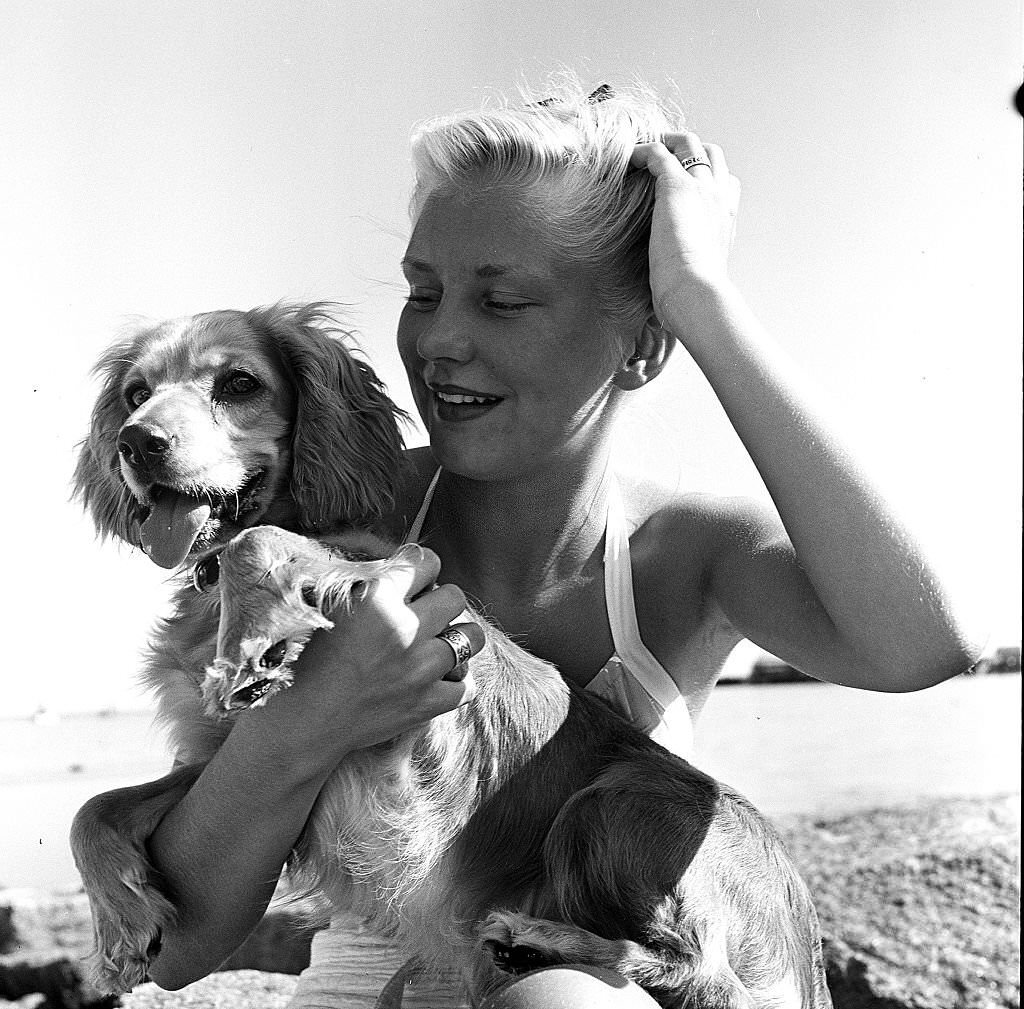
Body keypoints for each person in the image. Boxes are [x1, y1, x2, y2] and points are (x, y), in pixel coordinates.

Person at [140, 78, 980, 1006]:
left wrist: (702, 299)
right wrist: (311, 716)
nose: (439, 341)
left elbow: (928, 643)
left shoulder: (683, 551)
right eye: (424, 291)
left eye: (502, 302)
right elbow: (176, 944)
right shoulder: (344, 523)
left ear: (641, 346)